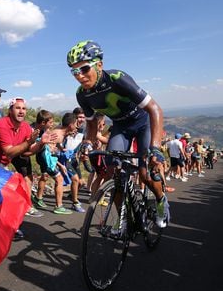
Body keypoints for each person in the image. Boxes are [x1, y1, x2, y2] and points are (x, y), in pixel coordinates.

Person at [67, 40, 169, 229]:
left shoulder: (117, 78)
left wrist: (155, 148)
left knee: (145, 174)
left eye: (84, 69)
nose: (79, 76)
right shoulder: (82, 94)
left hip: (143, 123)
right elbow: (91, 125)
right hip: (121, 127)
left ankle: (161, 201)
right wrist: (87, 143)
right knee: (114, 173)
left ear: (99, 65)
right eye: (74, 72)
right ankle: (123, 216)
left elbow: (155, 110)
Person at [0, 97, 56, 219]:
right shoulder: (1, 125)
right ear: (10, 110)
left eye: (24, 108)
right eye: (17, 108)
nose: (21, 111)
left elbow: (29, 149)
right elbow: (9, 152)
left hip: (6, 161)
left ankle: (26, 206)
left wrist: (41, 143)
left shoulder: (25, 127)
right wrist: (29, 142)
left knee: (26, 179)